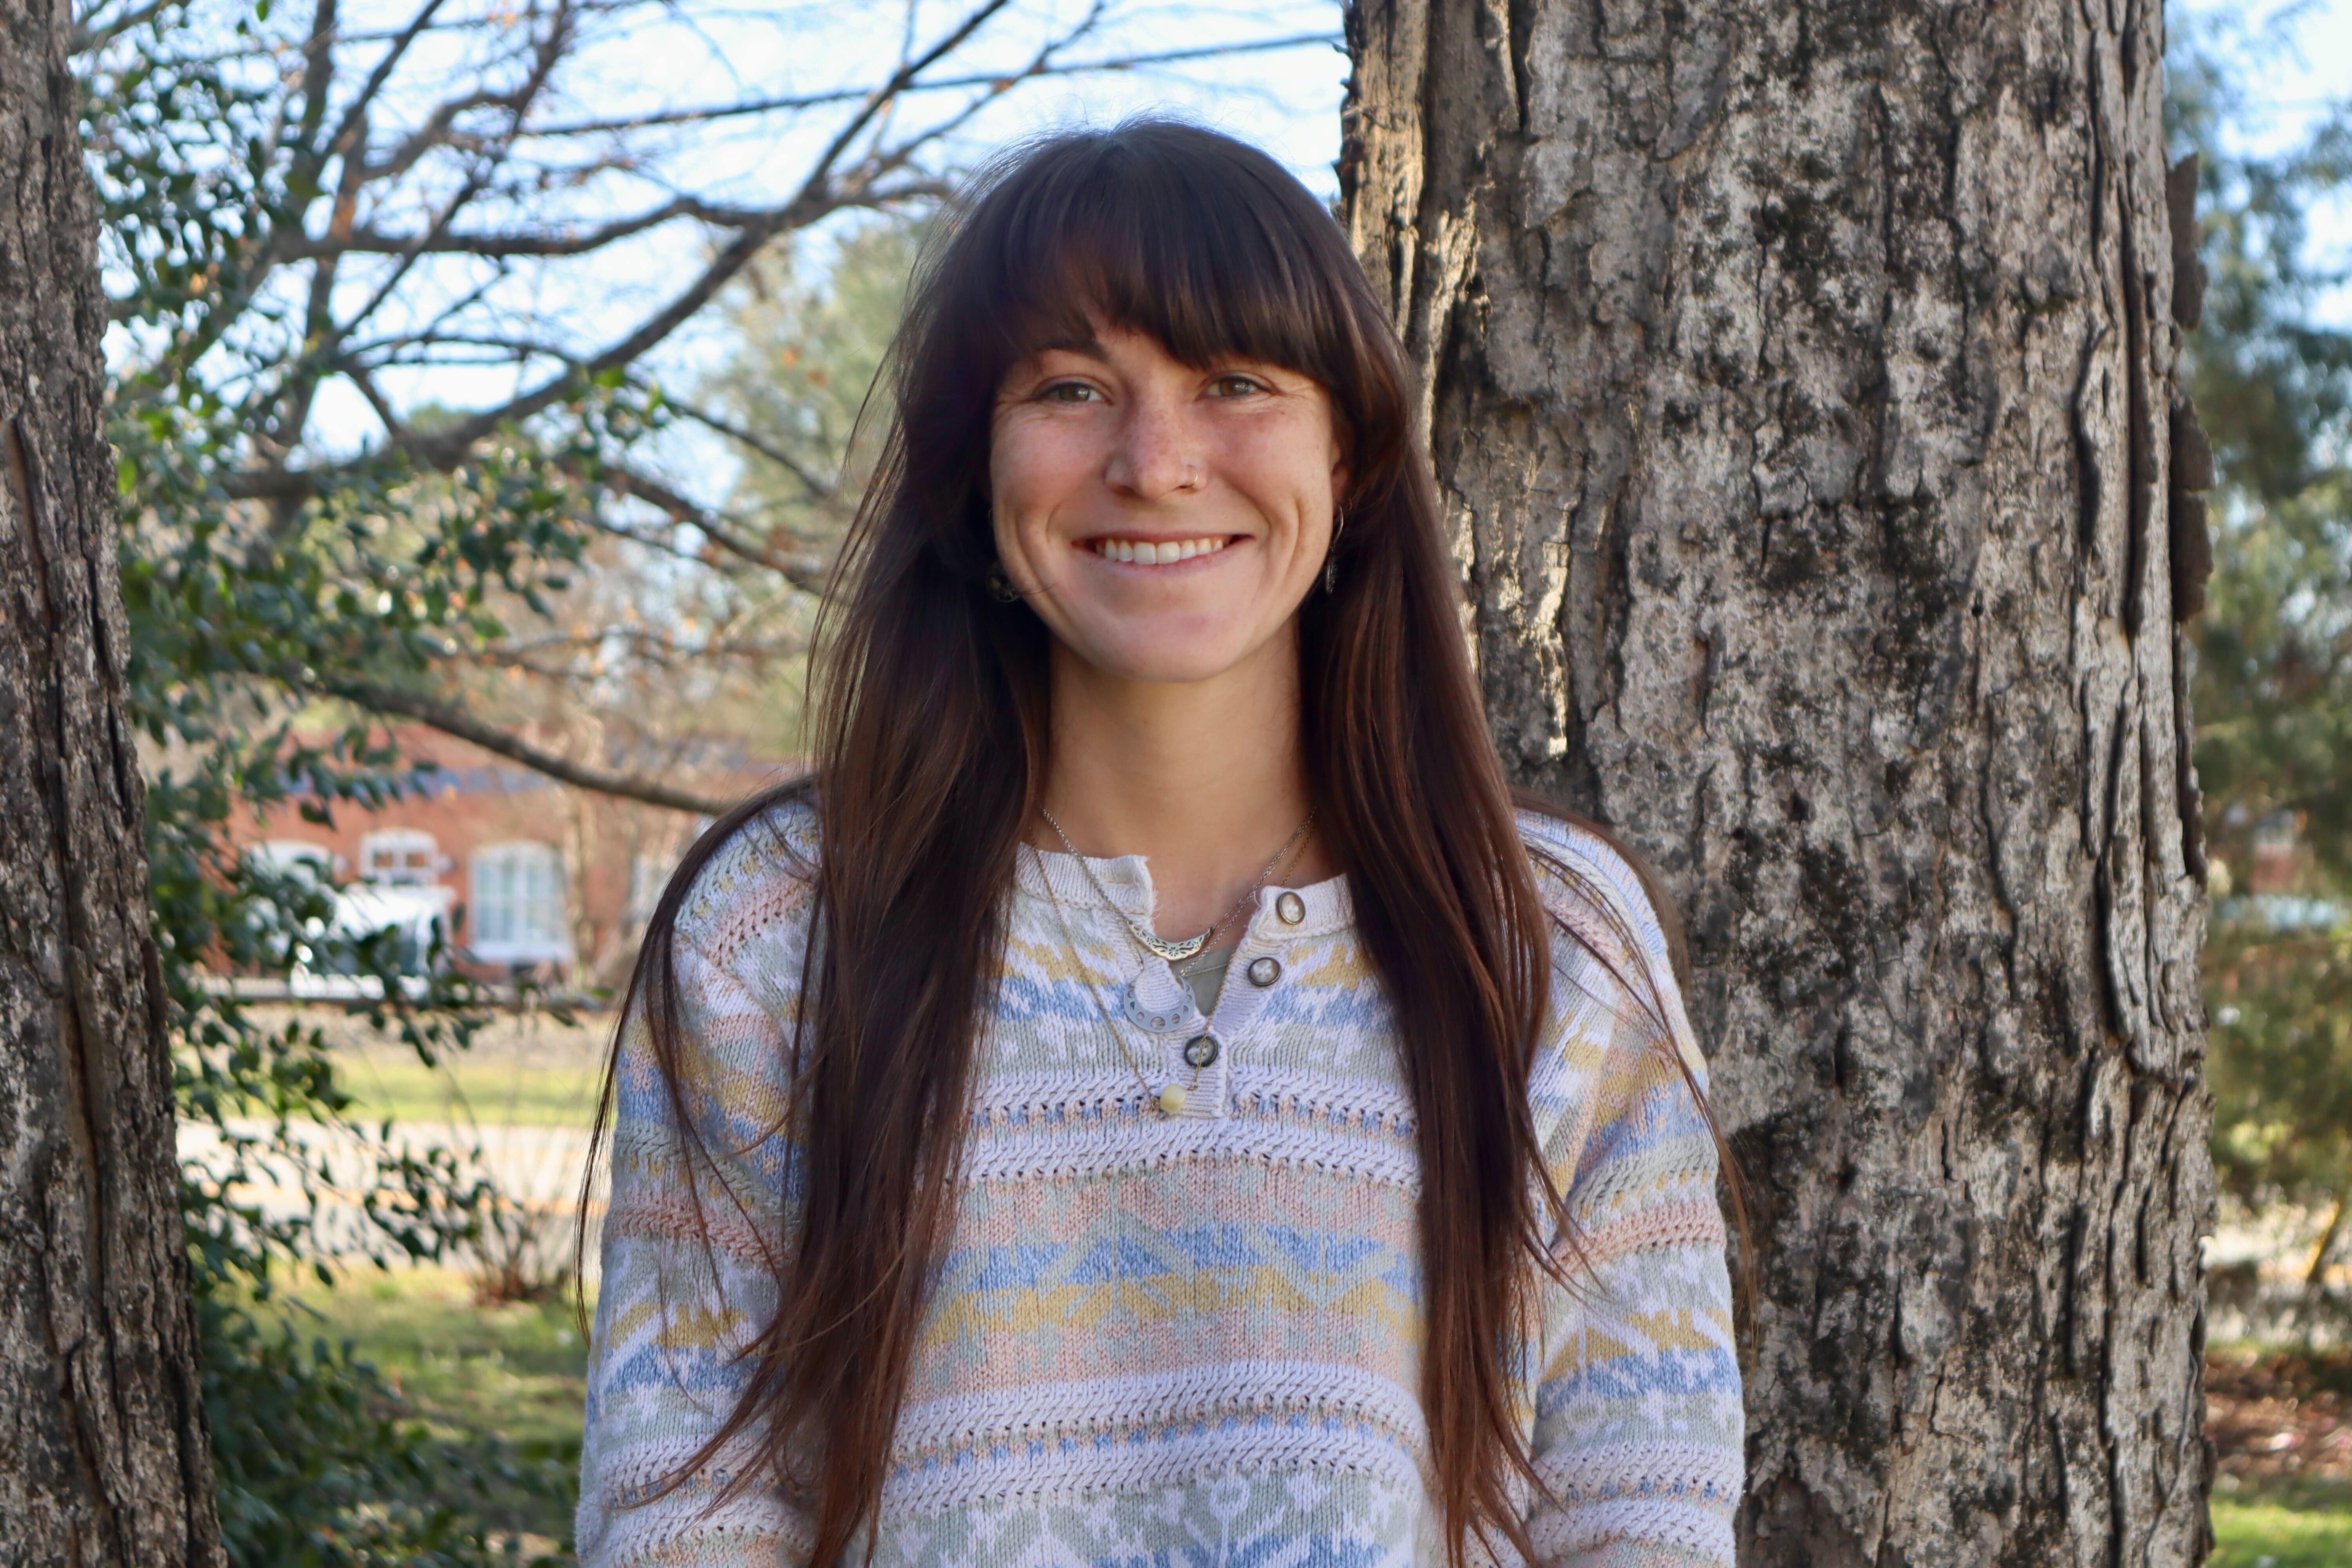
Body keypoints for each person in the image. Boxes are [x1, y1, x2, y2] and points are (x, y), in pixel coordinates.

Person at [575, 118, 1743, 1568]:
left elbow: (1642, 1524)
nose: (1157, 461)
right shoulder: (782, 929)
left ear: (1353, 454)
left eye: (1236, 383)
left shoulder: (1549, 944)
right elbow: (682, 1517)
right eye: (1073, 388)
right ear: (976, 474)